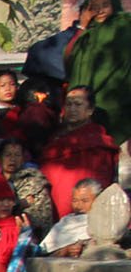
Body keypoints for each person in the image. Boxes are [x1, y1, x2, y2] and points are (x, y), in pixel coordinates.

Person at [65, 0, 131, 143]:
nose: (100, 10)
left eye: (105, 5)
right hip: (88, 104)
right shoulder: (88, 32)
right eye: (95, 7)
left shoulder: (125, 26)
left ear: (114, 4)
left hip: (119, 101)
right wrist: (83, 25)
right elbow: (69, 57)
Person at [43, 86, 118, 217]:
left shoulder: (96, 141)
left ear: (90, 110)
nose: (72, 109)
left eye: (78, 104)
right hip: (53, 208)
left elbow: (100, 181)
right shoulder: (56, 138)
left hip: (83, 211)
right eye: (68, 104)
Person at [0, 139, 57, 238]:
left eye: (17, 155)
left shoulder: (33, 182)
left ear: (23, 159)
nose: (12, 159)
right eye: (8, 155)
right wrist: (19, 204)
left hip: (30, 237)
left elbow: (37, 218)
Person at [39, 177, 102, 256]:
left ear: (98, 200)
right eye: (75, 201)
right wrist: (65, 251)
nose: (78, 206)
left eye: (85, 201)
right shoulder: (64, 223)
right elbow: (44, 255)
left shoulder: (103, 223)